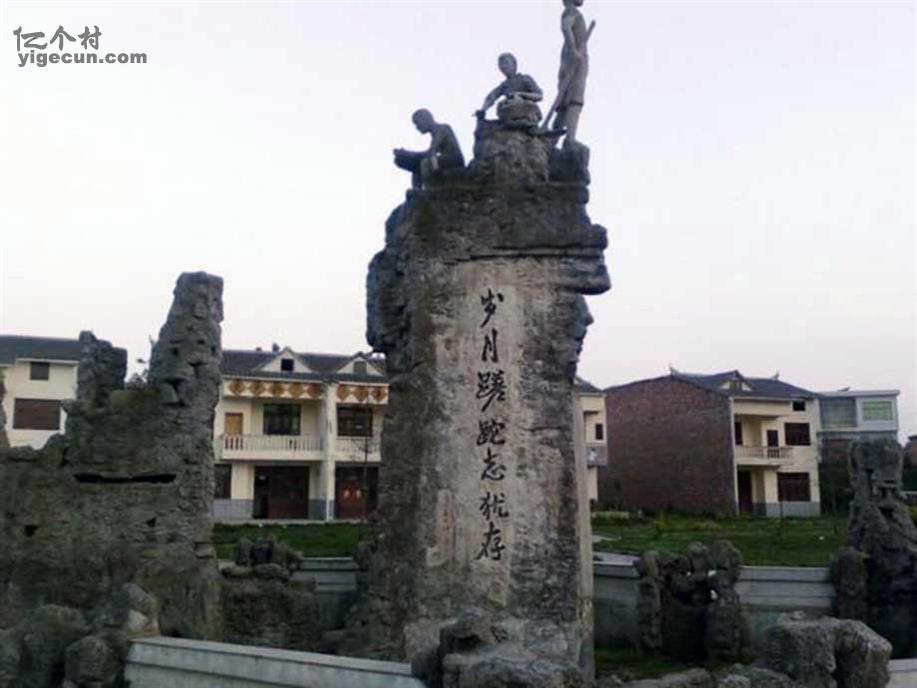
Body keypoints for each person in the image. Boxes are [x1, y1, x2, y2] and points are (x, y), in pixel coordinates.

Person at [552, 0, 591, 142]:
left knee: (565, 99)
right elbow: (566, 27)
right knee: (574, 100)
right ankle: (570, 139)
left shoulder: (571, 11)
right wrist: (574, 51)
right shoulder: (572, 11)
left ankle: (553, 139)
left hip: (570, 58)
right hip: (575, 59)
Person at [393, 109, 465, 187]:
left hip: (454, 159)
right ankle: (416, 190)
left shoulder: (442, 128)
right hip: (445, 159)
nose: (417, 127)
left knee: (425, 163)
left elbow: (431, 152)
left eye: (417, 123)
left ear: (425, 119)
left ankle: (431, 188)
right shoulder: (435, 132)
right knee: (415, 166)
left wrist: (408, 154)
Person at [474, 53, 543, 120]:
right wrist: (483, 110)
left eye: (506, 63)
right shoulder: (504, 85)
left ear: (514, 65)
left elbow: (539, 96)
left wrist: (520, 94)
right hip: (510, 114)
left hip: (526, 112)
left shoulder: (524, 78)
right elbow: (491, 97)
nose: (504, 67)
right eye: (501, 64)